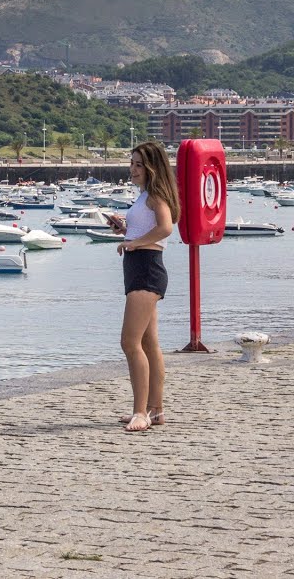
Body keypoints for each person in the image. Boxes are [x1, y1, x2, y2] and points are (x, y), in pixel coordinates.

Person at [111, 141, 180, 433]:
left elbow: (165, 228)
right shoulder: (144, 197)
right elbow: (146, 229)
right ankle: (156, 409)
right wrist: (124, 229)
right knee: (149, 343)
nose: (133, 169)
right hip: (139, 267)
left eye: (139, 164)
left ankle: (141, 412)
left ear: (153, 167)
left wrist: (134, 243)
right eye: (132, 163)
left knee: (129, 342)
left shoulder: (156, 197)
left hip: (147, 269)